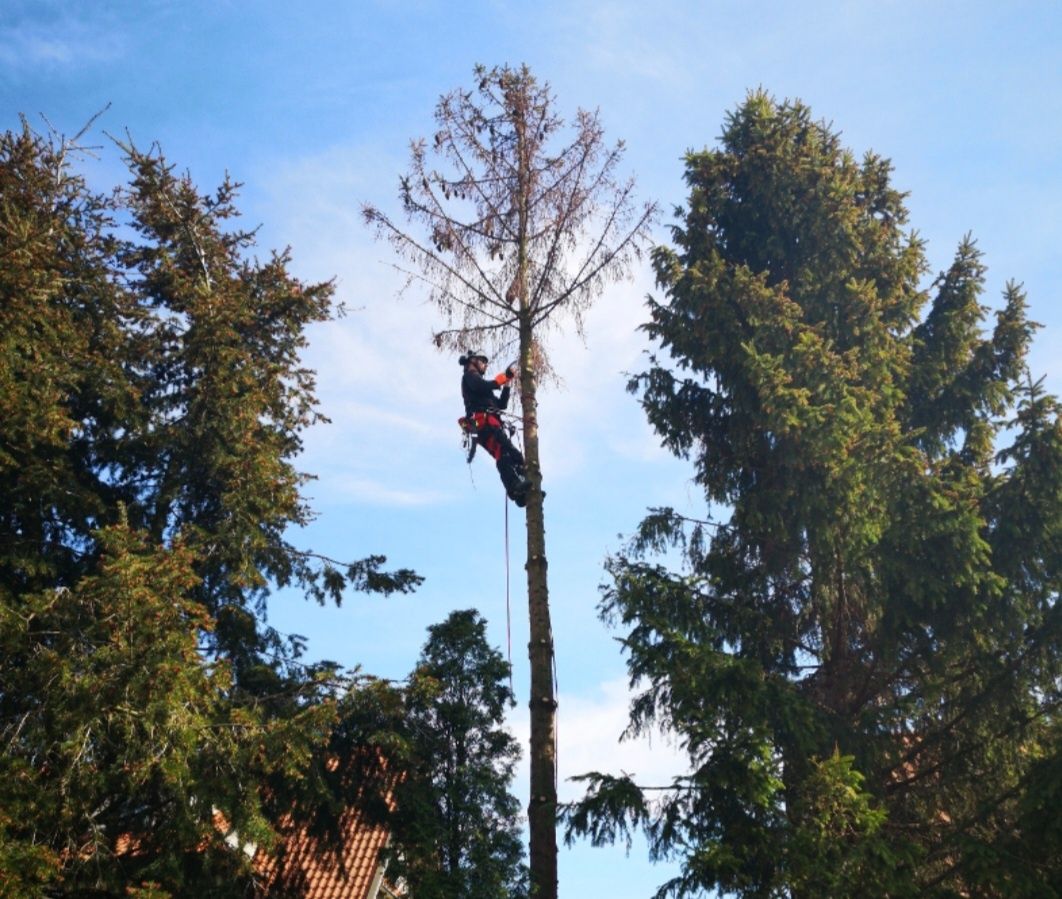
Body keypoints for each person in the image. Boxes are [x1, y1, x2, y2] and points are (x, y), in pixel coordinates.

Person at [459, 351, 529, 506]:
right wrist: (503, 377)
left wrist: (507, 384)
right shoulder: (470, 377)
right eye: (483, 361)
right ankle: (518, 481)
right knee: (509, 450)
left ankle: (518, 490)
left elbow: (501, 405)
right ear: (473, 361)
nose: (485, 365)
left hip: (490, 424)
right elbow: (482, 385)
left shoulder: (485, 391)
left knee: (503, 454)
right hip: (483, 424)